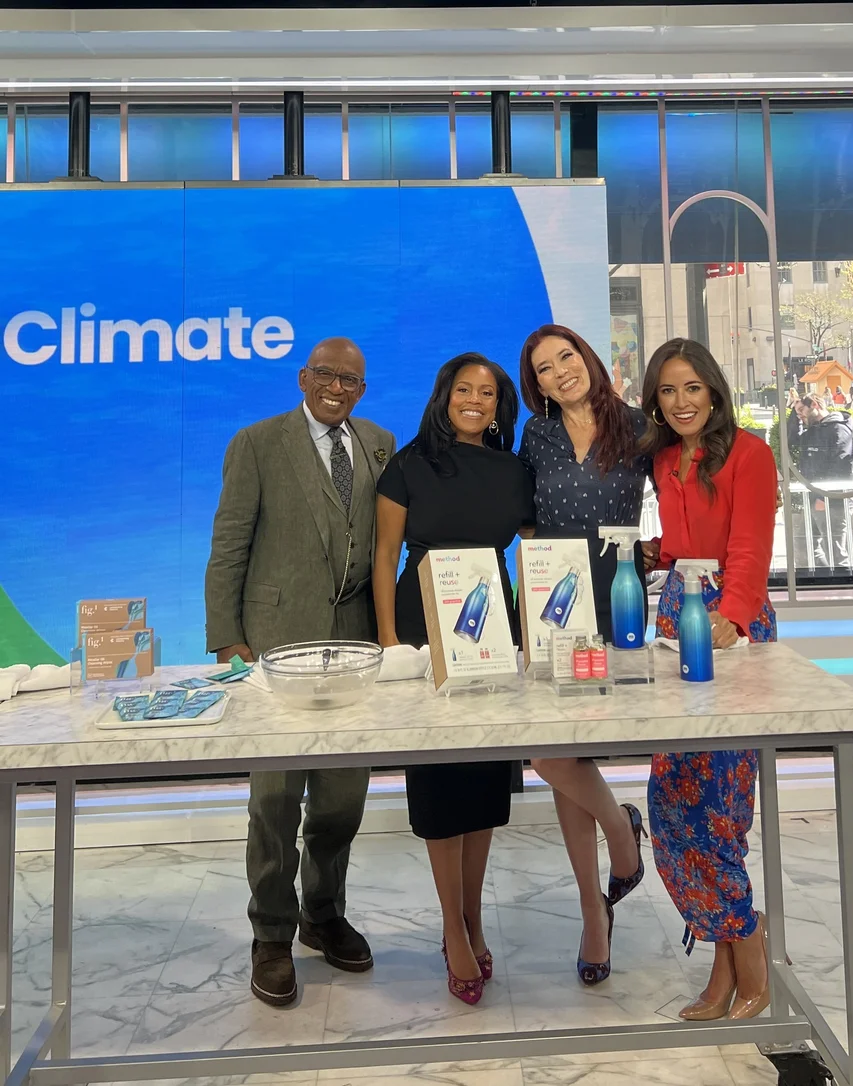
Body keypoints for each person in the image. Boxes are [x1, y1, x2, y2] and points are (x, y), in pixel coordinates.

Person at [205, 337, 395, 1008]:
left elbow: (385, 543)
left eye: (352, 380)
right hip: (274, 647)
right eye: (326, 375)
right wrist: (228, 639)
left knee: (343, 797)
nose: (338, 387)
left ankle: (322, 913)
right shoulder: (257, 443)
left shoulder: (379, 443)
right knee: (276, 800)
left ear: (363, 390)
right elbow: (229, 545)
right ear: (302, 377)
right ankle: (271, 935)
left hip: (355, 649)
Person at [373, 353, 534, 1006]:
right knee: (441, 781)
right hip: (422, 628)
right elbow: (385, 555)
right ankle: (451, 926)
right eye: (463, 389)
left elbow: (538, 550)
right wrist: (388, 641)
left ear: (499, 405)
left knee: (485, 780)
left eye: (486, 392)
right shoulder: (409, 464)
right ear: (444, 397)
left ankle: (472, 915)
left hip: (493, 627)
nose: (474, 399)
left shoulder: (514, 471)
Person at [640, 337, 778, 1022]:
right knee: (671, 800)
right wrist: (653, 560)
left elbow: (749, 546)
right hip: (676, 615)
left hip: (731, 621)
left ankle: (745, 954)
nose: (681, 401)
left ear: (715, 391)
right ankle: (728, 948)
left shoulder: (750, 453)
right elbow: (679, 545)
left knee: (720, 805)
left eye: (692, 387)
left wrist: (733, 617)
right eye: (668, 391)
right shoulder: (664, 458)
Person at [518, 324, 655, 985]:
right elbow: (527, 522)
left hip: (617, 602)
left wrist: (662, 552)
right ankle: (616, 850)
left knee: (572, 754)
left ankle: (598, 905)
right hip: (554, 606)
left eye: (566, 357)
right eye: (544, 369)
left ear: (587, 358)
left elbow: (682, 494)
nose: (559, 372)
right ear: (537, 385)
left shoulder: (638, 427)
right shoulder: (536, 436)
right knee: (553, 753)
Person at [794, 394, 853, 569]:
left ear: (814, 404)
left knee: (835, 551)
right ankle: (824, 578)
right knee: (804, 543)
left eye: (802, 410)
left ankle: (841, 582)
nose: (800, 415)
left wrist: (823, 497)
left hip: (832, 500)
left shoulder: (838, 429)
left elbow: (841, 466)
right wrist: (795, 416)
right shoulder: (815, 429)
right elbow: (793, 440)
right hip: (817, 497)